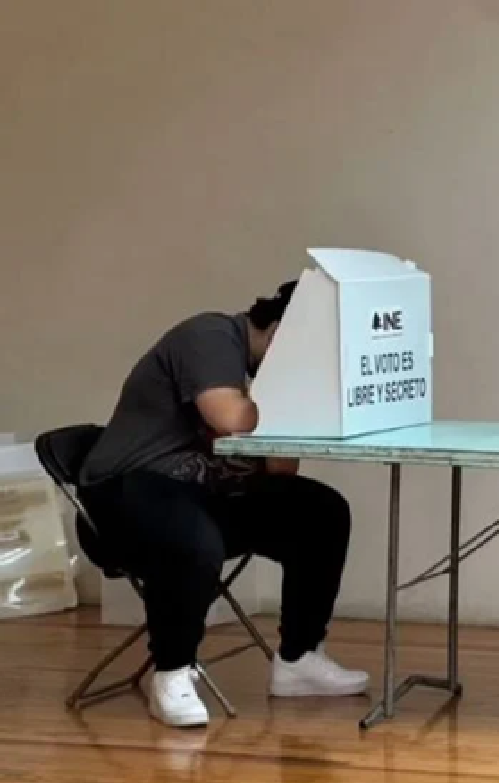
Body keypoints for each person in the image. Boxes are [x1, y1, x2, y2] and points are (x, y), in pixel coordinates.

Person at [80, 281, 369, 728]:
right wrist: (289, 385)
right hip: (126, 497)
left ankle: (299, 658)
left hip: (202, 497)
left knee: (321, 512)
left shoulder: (266, 381)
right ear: (279, 331)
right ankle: (172, 672)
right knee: (193, 537)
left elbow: (279, 470)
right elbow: (230, 417)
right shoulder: (210, 335)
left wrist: (293, 395)